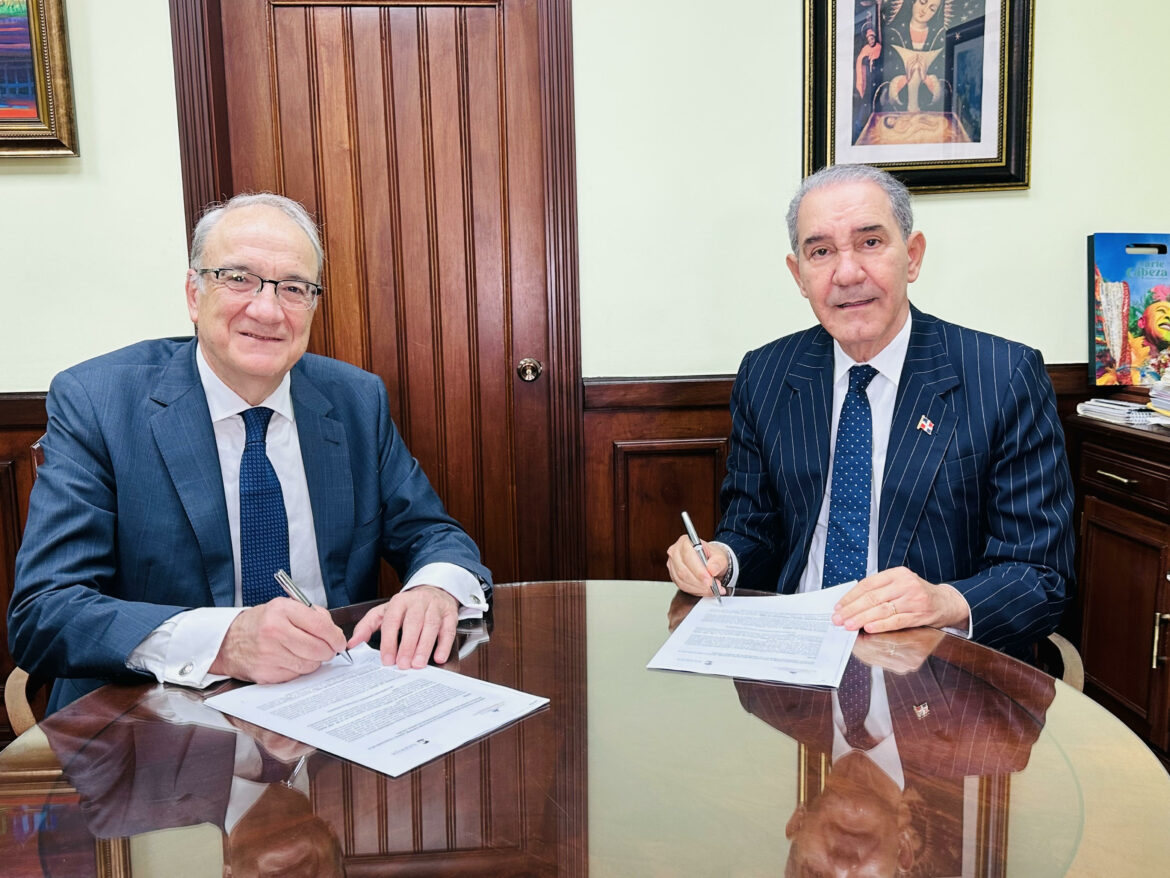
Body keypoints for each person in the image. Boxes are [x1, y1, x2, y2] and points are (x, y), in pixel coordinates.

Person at [9, 192, 492, 712]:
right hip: (153, 717)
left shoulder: (355, 399)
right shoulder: (98, 403)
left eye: (294, 288)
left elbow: (432, 534)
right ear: (194, 295)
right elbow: (46, 611)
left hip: (332, 702)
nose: (267, 309)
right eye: (238, 278)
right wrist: (225, 642)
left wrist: (434, 590)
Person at [665, 164, 1074, 661]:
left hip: (937, 664)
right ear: (798, 275)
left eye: (871, 243)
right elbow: (754, 527)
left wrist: (943, 601)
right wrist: (723, 561)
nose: (847, 274)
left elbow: (1041, 577)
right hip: (794, 657)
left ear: (913, 256)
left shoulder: (1003, 376)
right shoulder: (766, 374)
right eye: (821, 252)